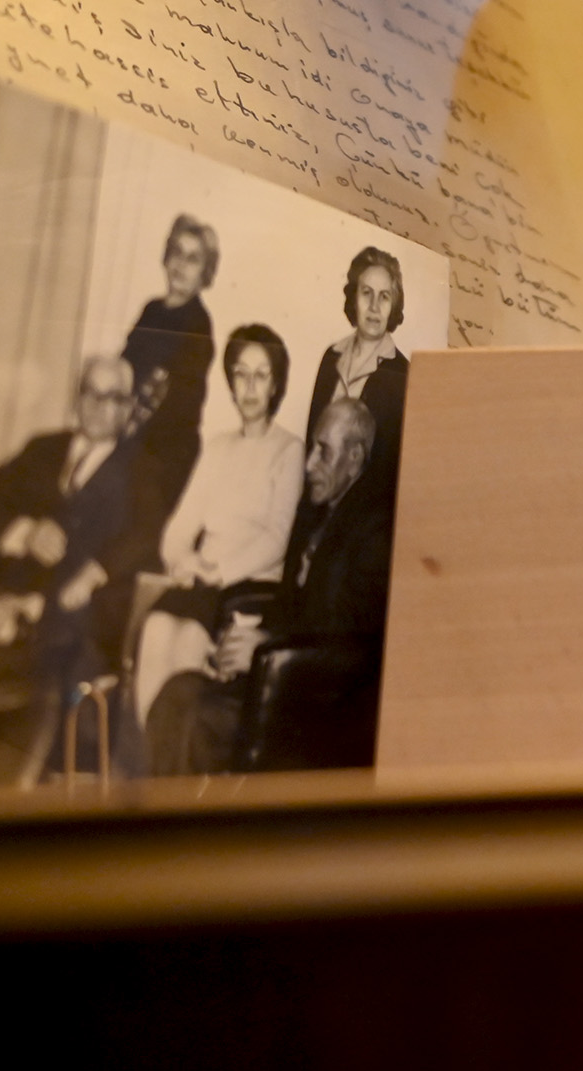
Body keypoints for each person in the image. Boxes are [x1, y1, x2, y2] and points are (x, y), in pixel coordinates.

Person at [146, 397, 394, 775]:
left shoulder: (375, 531)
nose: (309, 464)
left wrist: (264, 650)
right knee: (174, 693)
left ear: (355, 456)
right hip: (278, 670)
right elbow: (293, 602)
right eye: (311, 448)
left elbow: (350, 643)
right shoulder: (318, 513)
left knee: (199, 718)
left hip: (312, 699)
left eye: (323, 452)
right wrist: (242, 634)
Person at [132, 325, 305, 727]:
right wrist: (183, 561)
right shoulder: (217, 447)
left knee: (189, 643)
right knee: (155, 628)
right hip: (202, 583)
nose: (250, 387)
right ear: (230, 381)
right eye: (241, 374)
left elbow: (278, 538)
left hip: (247, 588)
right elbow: (179, 528)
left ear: (275, 384)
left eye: (261, 375)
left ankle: (177, 754)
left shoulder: (289, 450)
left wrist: (218, 572)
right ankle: (146, 753)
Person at [0, 354, 145, 600]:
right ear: (77, 399)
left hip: (72, 601)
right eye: (90, 392)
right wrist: (26, 533)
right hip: (8, 588)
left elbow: (141, 535)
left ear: (128, 408)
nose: (97, 405)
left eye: (111, 397)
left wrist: (91, 576)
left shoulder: (138, 466)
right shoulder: (42, 448)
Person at [122, 215, 219, 513]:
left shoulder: (198, 324)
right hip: (134, 433)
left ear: (205, 272)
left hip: (165, 450)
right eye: (176, 252)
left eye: (192, 259)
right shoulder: (152, 310)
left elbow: (173, 399)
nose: (180, 264)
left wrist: (127, 428)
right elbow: (125, 367)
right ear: (166, 257)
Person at [306, 245, 410, 511]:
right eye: (366, 293)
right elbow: (312, 439)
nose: (374, 307)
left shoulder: (402, 373)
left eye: (384, 297)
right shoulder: (331, 357)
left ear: (394, 305)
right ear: (354, 297)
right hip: (318, 500)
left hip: (364, 515)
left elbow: (389, 470)